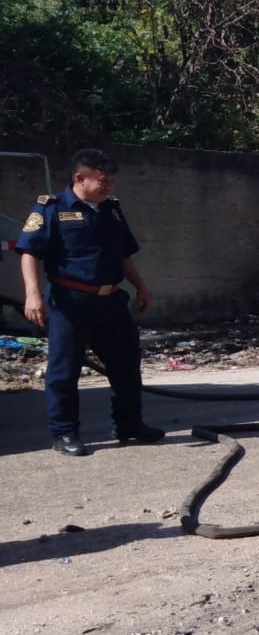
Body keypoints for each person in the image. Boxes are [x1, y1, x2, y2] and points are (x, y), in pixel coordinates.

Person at [15, 148, 163, 456]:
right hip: (70, 303)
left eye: (111, 181)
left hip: (111, 302)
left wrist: (141, 287)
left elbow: (123, 256)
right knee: (64, 371)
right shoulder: (51, 209)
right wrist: (32, 294)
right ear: (80, 178)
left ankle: (129, 424)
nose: (109, 187)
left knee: (126, 366)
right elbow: (29, 253)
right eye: (102, 181)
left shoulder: (112, 211)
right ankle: (64, 433)